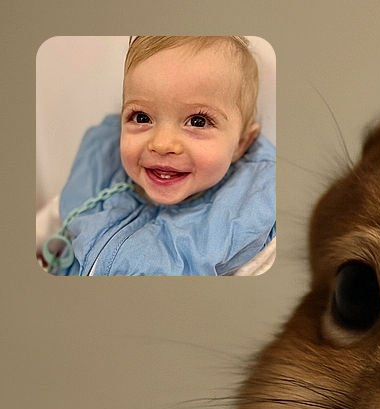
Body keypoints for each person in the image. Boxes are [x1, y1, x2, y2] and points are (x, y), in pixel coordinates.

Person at [38, 36, 275, 276]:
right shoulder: (99, 174)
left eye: (198, 121)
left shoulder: (246, 221)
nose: (162, 144)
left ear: (241, 144)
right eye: (141, 117)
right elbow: (54, 221)